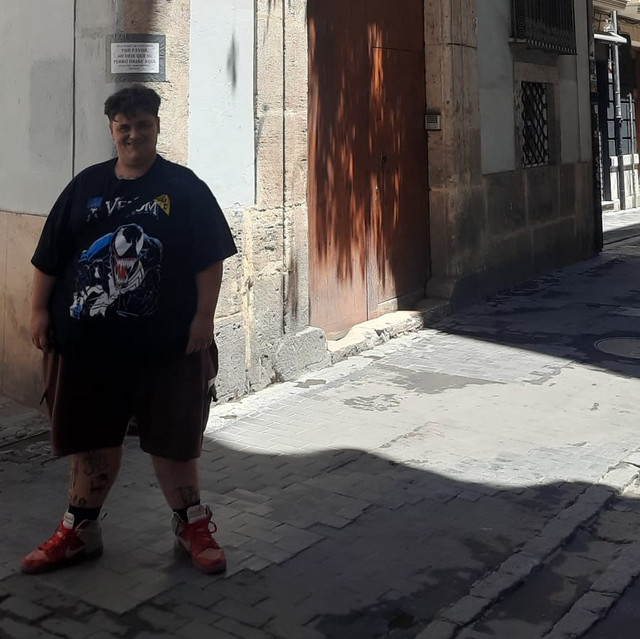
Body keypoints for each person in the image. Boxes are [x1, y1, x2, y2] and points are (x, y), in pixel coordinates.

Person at [22, 85, 237, 575]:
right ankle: (79, 530)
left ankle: (191, 524)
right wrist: (37, 312)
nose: (133, 134)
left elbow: (209, 259)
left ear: (157, 127)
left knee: (175, 439)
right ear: (112, 130)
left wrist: (204, 318)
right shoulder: (85, 186)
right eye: (124, 126)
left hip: (168, 349)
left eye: (143, 125)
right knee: (90, 441)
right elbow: (49, 256)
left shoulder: (184, 187)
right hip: (87, 350)